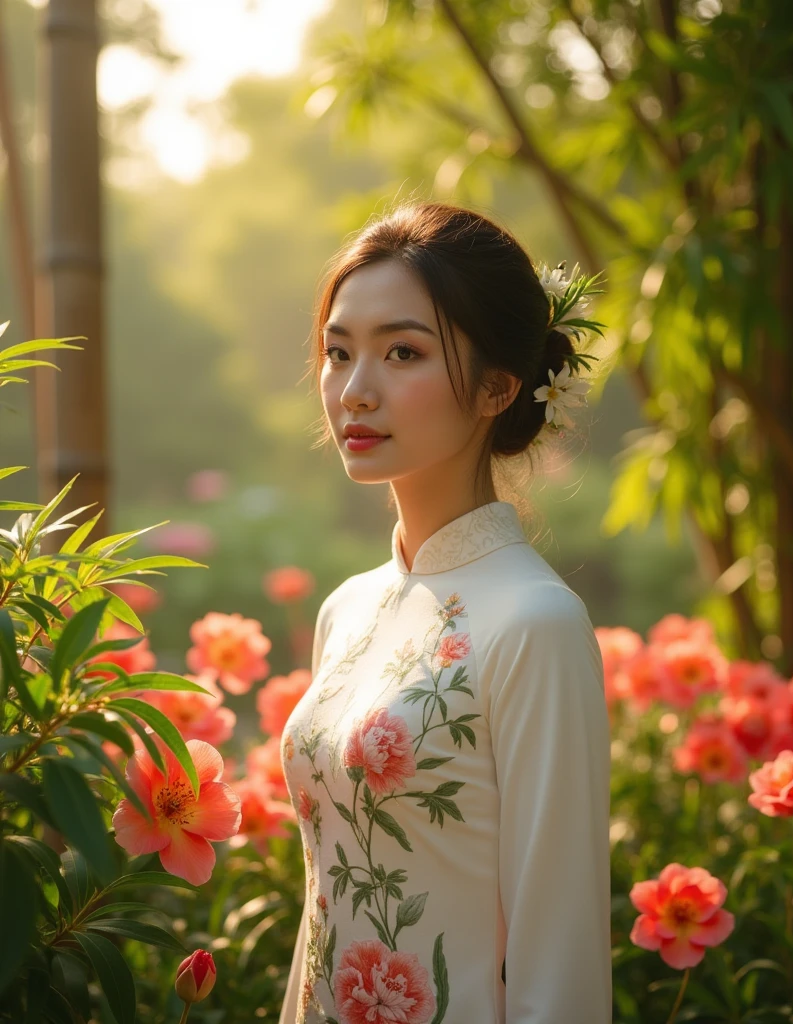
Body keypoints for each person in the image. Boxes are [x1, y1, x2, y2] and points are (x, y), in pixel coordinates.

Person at [278, 201, 611, 1023]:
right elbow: (319, 911)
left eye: (402, 352)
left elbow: (559, 958)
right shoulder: (347, 609)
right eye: (338, 352)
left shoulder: (536, 624)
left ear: (499, 385)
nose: (355, 391)